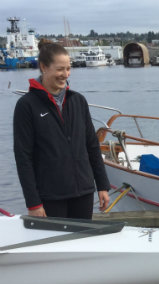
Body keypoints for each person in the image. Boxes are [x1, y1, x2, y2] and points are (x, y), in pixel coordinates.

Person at [13, 40, 110, 219]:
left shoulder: (78, 101)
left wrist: (102, 185)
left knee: (81, 244)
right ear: (43, 67)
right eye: (60, 69)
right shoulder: (26, 106)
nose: (65, 74)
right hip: (51, 197)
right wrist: (33, 203)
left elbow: (92, 146)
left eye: (68, 68)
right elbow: (23, 157)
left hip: (83, 193)